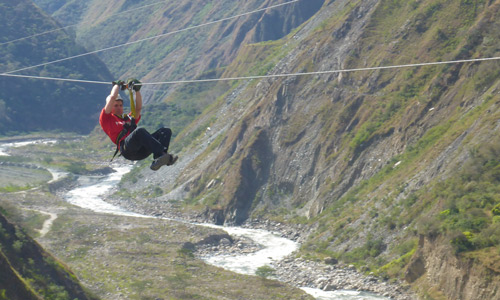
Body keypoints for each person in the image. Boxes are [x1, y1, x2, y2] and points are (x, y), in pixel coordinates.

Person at [99, 79, 177, 170]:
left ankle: (160, 157)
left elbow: (138, 108)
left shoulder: (128, 119)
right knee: (139, 131)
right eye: (115, 105)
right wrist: (116, 85)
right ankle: (161, 154)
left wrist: (137, 91)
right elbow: (112, 97)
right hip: (127, 149)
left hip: (141, 150)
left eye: (121, 105)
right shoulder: (106, 119)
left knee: (165, 131)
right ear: (110, 106)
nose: (119, 108)